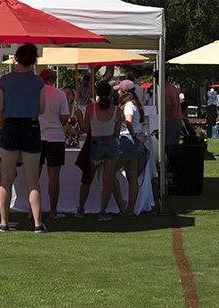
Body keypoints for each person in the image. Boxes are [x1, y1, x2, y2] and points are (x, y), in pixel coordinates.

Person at [0, 42, 47, 232]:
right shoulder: (38, 82)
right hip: (32, 127)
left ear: (16, 58)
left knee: (6, 179)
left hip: (10, 127)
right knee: (32, 179)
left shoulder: (5, 81)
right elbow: (41, 109)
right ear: (34, 60)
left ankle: (4, 223)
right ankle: (38, 224)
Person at [81, 81, 123, 220]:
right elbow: (117, 134)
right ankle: (102, 211)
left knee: (88, 179)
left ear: (96, 93)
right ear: (111, 93)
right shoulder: (117, 110)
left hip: (95, 144)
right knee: (108, 180)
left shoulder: (90, 108)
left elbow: (86, 129)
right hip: (111, 143)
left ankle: (80, 209)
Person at [37, 68, 73, 222]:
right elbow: (64, 118)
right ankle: (53, 210)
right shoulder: (60, 94)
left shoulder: (35, 92)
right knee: (54, 176)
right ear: (54, 79)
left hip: (37, 136)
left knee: (34, 176)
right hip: (55, 137)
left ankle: (33, 211)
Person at [116, 85, 149, 215]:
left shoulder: (128, 105)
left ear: (123, 92)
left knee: (110, 173)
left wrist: (134, 135)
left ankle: (121, 202)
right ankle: (130, 208)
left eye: (119, 90)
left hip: (128, 141)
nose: (118, 92)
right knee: (132, 177)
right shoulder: (136, 104)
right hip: (134, 143)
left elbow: (128, 122)